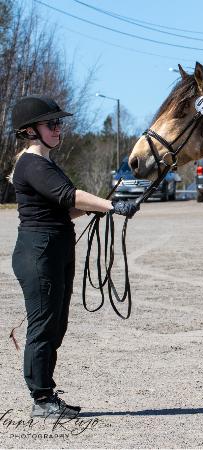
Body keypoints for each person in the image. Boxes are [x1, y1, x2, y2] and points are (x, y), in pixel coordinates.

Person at [9, 95, 138, 419]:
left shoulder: (47, 164)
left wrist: (101, 207)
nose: (58, 128)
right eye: (51, 123)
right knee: (43, 326)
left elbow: (64, 210)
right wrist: (111, 205)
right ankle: (41, 399)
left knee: (56, 326)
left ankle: (46, 393)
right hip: (39, 253)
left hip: (55, 250)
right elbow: (70, 195)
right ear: (30, 130)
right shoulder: (32, 164)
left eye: (58, 123)